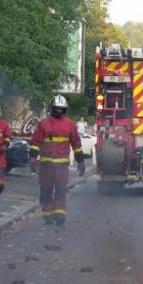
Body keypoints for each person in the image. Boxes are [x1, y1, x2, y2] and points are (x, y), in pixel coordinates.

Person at [29, 95, 85, 225]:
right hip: (46, 166)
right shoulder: (43, 124)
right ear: (52, 108)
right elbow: (35, 143)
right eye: (57, 108)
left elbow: (76, 145)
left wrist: (81, 162)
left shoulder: (70, 125)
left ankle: (60, 214)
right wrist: (32, 158)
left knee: (60, 191)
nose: (59, 111)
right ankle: (47, 214)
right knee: (46, 192)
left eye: (62, 109)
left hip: (61, 167)